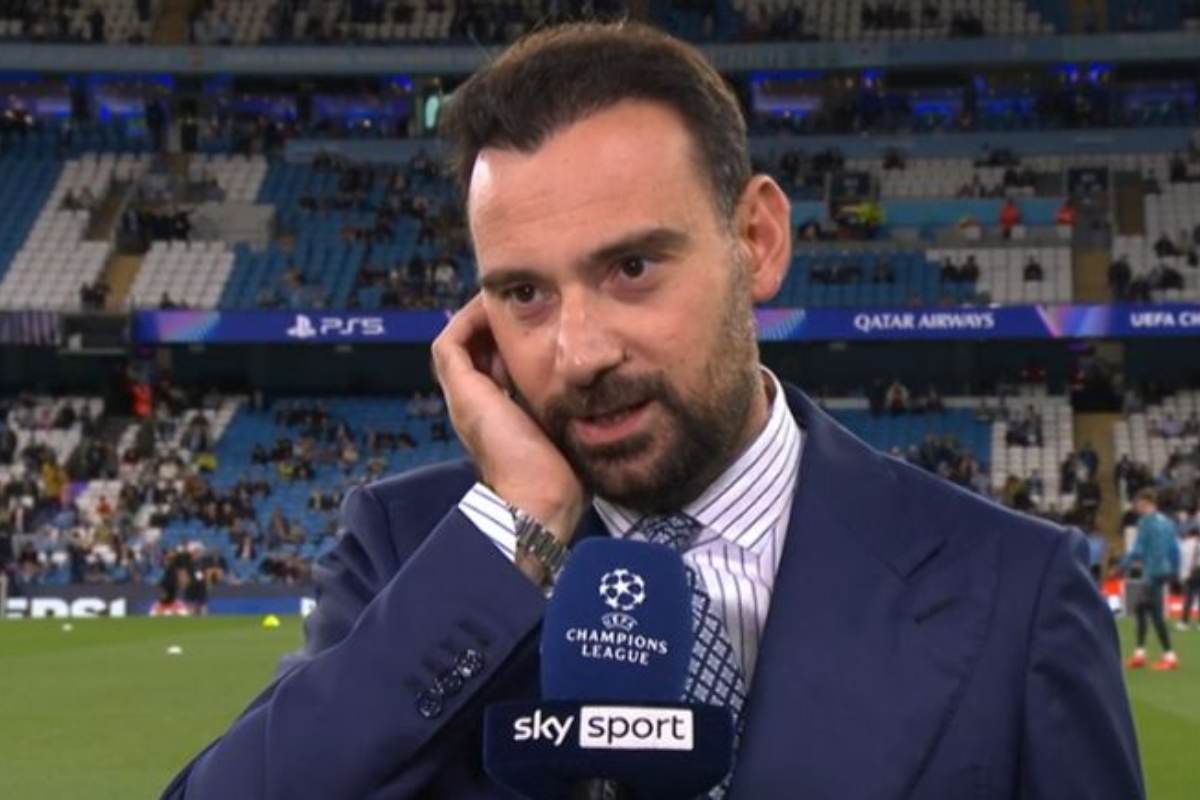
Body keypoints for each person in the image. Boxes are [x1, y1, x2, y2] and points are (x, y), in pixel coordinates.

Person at [162, 23, 1143, 800]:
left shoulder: (1017, 593)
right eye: (524, 294)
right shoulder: (411, 549)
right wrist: (518, 530)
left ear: (757, 240)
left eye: (631, 267)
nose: (579, 352)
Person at [1119, 488, 1180, 670]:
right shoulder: (1167, 522)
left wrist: (1123, 565)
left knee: (1155, 614)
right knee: (1141, 607)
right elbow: (1174, 549)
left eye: (1138, 504)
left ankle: (1169, 656)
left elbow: (1138, 549)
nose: (1137, 508)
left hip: (1152, 571)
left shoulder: (1146, 522)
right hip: (1164, 570)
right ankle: (1140, 654)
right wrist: (1174, 571)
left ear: (1145, 503)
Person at [1179, 525, 1200, 631]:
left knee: (1188, 599)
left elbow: (1181, 561)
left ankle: (1184, 622)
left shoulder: (1184, 544)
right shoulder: (1197, 544)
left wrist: (1182, 575)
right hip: (1198, 572)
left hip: (1187, 575)